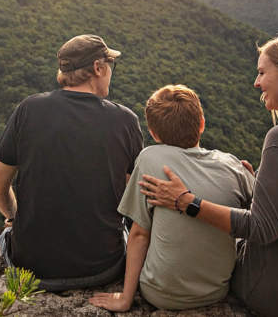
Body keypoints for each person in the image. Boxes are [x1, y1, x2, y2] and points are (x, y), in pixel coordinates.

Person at [139, 33, 278, 317]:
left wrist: (187, 201)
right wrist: (259, 186)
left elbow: (262, 229)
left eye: (262, 72)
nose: (256, 82)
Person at [0, 34, 143, 291]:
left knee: (6, 234)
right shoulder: (125, 120)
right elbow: (133, 198)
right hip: (101, 269)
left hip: (30, 270)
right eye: (110, 65)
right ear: (97, 68)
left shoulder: (28, 110)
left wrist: (15, 218)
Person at [89, 85, 254, 311]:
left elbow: (139, 235)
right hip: (216, 291)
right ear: (202, 124)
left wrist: (126, 298)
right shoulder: (234, 166)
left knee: (131, 226)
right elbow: (254, 219)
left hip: (160, 294)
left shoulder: (151, 158)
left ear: (154, 134)